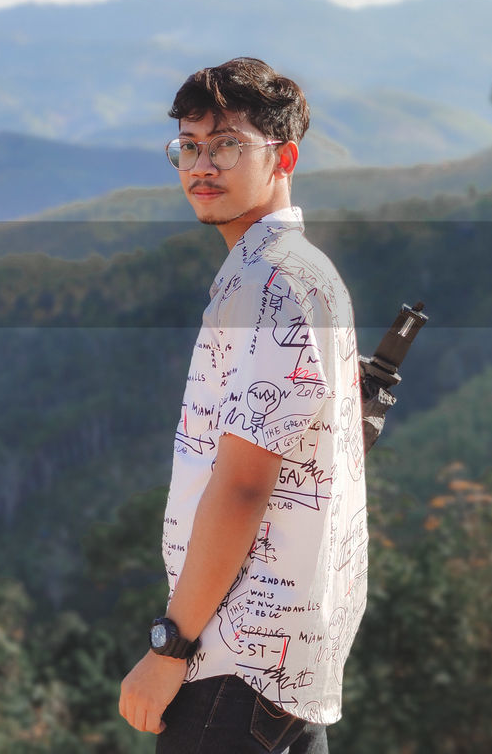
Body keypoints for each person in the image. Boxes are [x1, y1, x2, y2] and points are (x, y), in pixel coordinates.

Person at [118, 58, 367, 753]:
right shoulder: (294, 273)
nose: (203, 164)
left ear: (283, 156)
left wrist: (169, 649)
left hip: (236, 672)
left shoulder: (273, 283)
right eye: (189, 147)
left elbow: (242, 484)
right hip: (282, 674)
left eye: (227, 144)